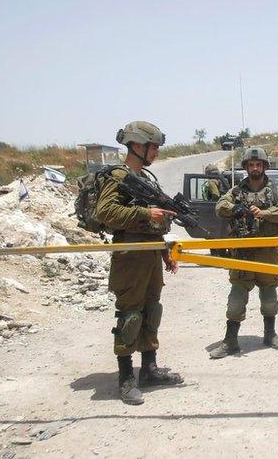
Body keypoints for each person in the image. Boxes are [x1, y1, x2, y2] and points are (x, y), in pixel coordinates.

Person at [94, 121, 183, 406]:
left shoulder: (144, 177)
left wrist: (164, 251)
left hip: (149, 255)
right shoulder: (118, 176)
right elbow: (105, 211)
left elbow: (154, 222)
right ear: (137, 145)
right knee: (130, 315)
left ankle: (149, 369)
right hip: (129, 257)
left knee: (151, 311)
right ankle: (125, 378)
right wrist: (146, 212)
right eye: (153, 147)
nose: (156, 152)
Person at [209, 147, 278, 359]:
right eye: (251, 165)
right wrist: (233, 209)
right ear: (246, 167)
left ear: (264, 167)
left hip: (267, 252)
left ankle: (270, 334)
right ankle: (230, 341)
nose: (255, 168)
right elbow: (220, 207)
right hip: (243, 252)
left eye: (258, 164)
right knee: (236, 298)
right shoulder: (236, 192)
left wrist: (264, 213)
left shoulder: (275, 191)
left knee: (269, 296)